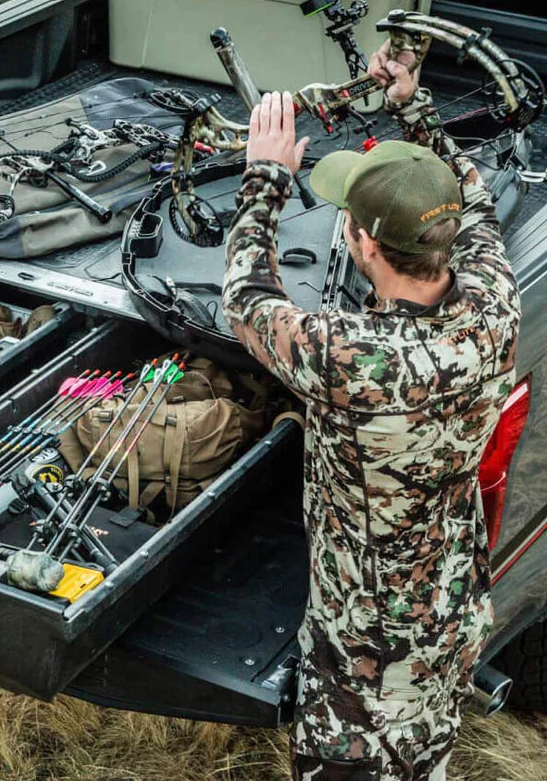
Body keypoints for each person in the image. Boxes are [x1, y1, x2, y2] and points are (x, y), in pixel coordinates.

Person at [221, 45, 521, 781]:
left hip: (364, 652)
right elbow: (475, 198)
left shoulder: (347, 355)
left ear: (364, 243)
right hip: (450, 609)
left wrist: (264, 178)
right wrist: (412, 107)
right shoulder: (494, 299)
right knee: (428, 755)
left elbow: (244, 300)